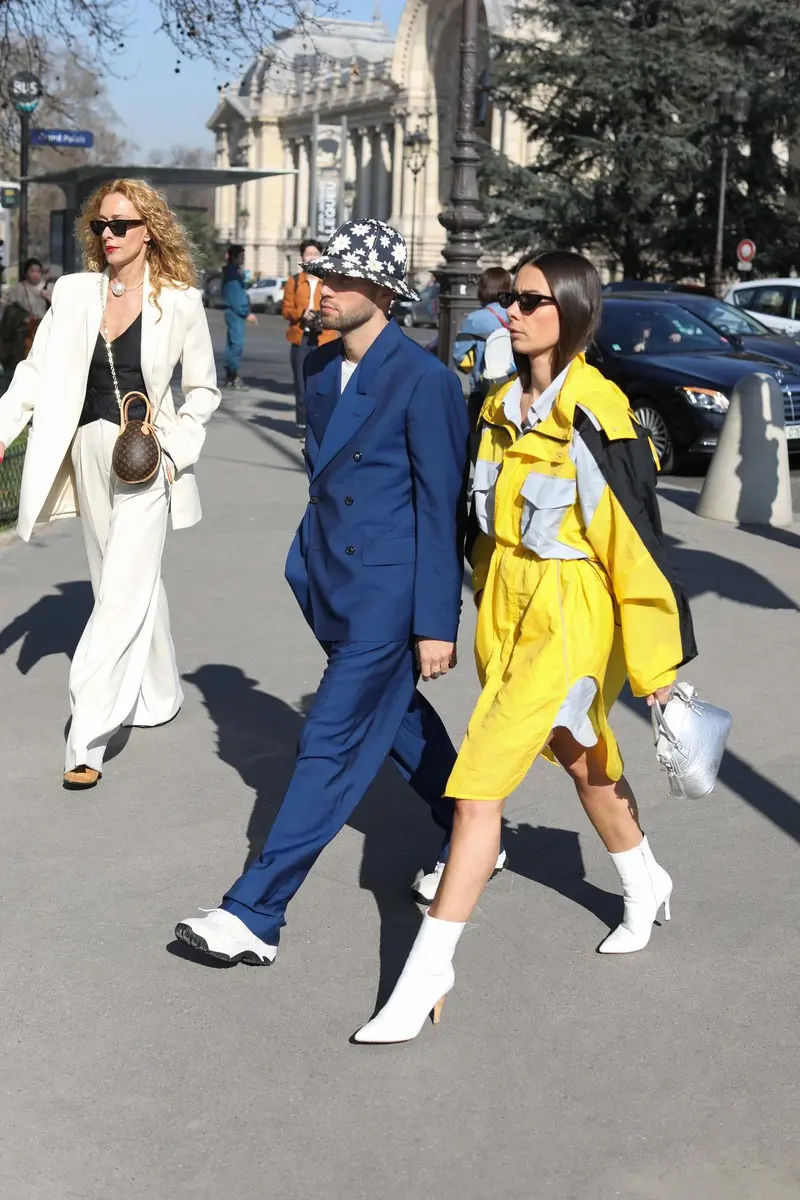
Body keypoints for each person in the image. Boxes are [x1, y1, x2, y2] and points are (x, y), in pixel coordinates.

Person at [355, 249, 698, 1044]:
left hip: (571, 614)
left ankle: (426, 972)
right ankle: (645, 880)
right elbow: (475, 525)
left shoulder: (598, 414)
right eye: (510, 296)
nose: (511, 310)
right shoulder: (501, 406)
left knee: (480, 787)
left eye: (530, 300)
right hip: (505, 608)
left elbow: (636, 550)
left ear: (570, 313)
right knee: (582, 757)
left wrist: (655, 673)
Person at [175, 218, 495, 967]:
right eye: (324, 274)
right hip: (329, 581)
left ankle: (255, 911)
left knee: (330, 740)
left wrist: (434, 623)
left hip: (390, 594)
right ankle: (470, 827)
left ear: (383, 292)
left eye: (345, 279)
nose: (326, 289)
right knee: (400, 721)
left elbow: (437, 506)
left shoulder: (426, 382)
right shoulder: (318, 368)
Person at [0, 178, 220, 789]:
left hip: (151, 458)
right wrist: (3, 428)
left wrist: (176, 450)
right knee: (117, 578)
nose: (110, 235)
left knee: (124, 585)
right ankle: (157, 693)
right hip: (89, 448)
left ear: (150, 229)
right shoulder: (74, 293)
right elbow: (37, 370)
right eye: (101, 225)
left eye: (122, 224)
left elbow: (203, 390)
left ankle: (88, 736)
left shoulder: (179, 300)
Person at [282, 239, 339, 432]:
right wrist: (301, 314)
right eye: (308, 254)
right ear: (302, 257)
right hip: (301, 338)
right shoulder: (294, 281)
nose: (312, 257)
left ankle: (320, 425)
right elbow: (286, 310)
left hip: (325, 338)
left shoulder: (331, 281)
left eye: (315, 253)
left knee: (323, 383)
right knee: (301, 382)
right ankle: (302, 425)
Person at [452, 266, 513, 426]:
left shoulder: (475, 319)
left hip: (483, 389)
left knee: (478, 439)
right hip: (514, 387)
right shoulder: (515, 314)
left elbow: (459, 355)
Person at [0, 258, 52, 385]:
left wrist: (48, 297)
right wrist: (22, 317)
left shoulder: (49, 287)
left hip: (44, 332)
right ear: (26, 272)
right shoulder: (17, 289)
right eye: (32, 271)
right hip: (23, 336)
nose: (35, 274)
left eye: (38, 271)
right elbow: (7, 309)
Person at [221, 245, 257, 389]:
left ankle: (230, 374)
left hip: (231, 311)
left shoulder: (231, 272)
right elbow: (238, 297)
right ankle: (233, 376)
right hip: (235, 313)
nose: (243, 259)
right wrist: (246, 313)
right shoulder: (233, 275)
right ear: (235, 257)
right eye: (242, 256)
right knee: (237, 344)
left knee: (232, 343)